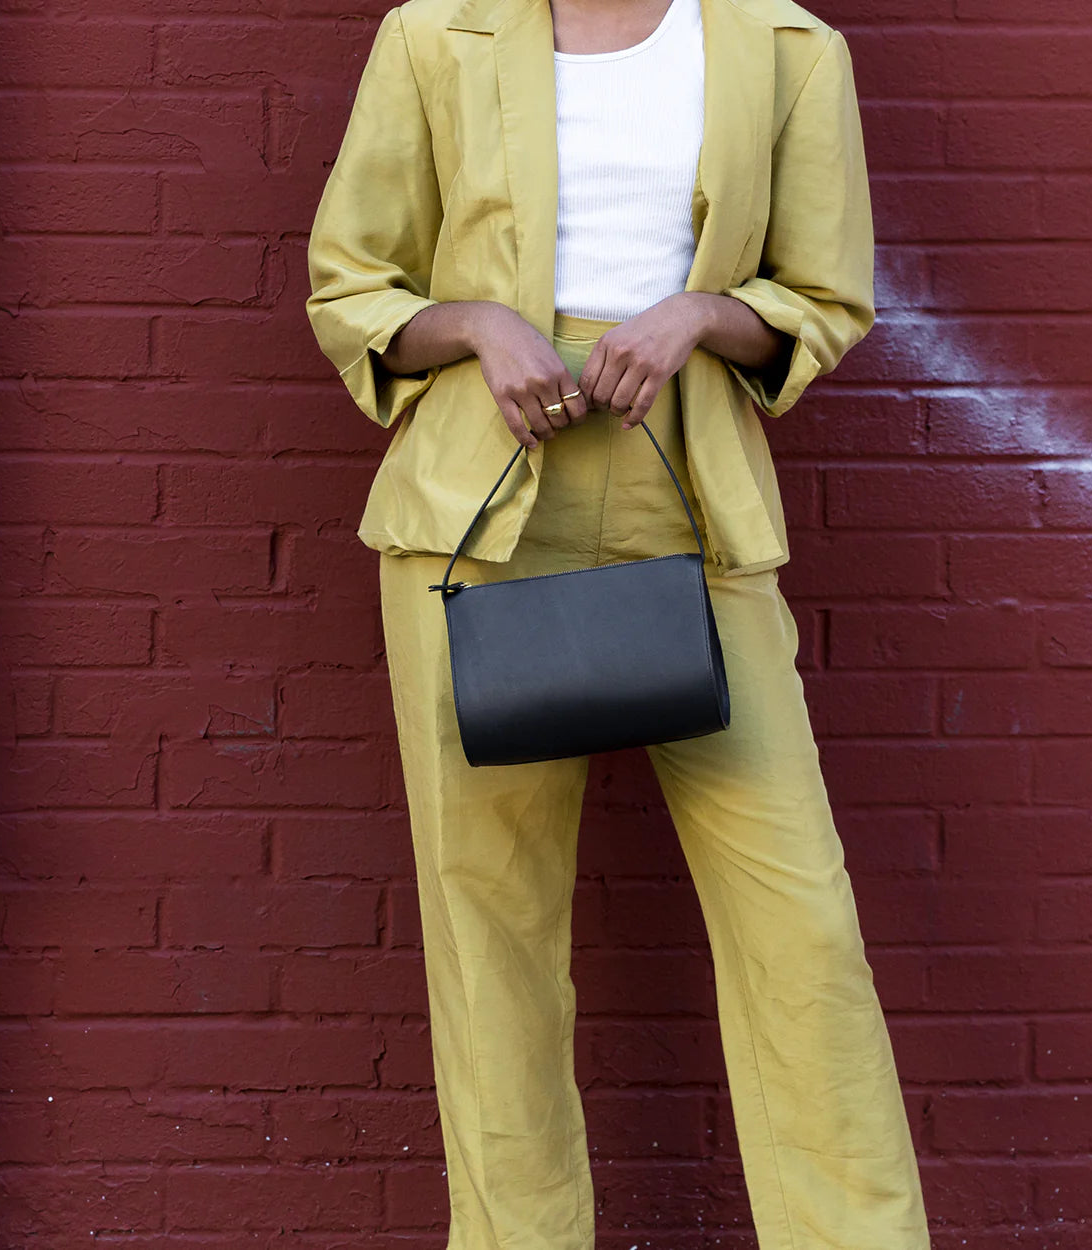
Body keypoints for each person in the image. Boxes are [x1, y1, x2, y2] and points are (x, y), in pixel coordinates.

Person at [305, 0, 931, 1245]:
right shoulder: (435, 36)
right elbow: (353, 282)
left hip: (692, 498)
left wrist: (696, 313)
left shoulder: (786, 49)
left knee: (799, 926)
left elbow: (820, 294)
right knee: (492, 931)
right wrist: (479, 325)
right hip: (479, 513)